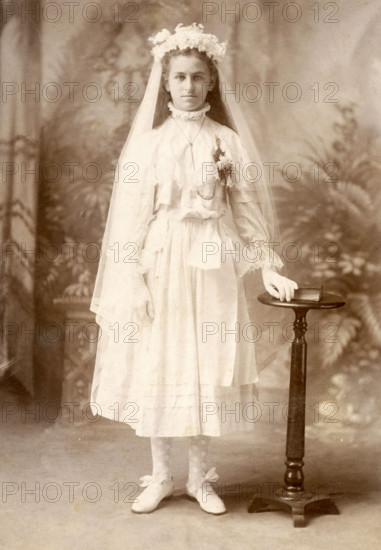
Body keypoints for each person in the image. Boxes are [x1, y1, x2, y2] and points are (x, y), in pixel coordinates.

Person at [90, 23, 298, 516]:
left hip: (211, 262)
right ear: (164, 82)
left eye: (198, 78)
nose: (188, 86)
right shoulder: (148, 144)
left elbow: (245, 208)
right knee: (161, 362)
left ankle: (200, 479)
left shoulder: (226, 140)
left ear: (211, 83)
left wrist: (267, 265)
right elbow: (129, 222)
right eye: (179, 77)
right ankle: (161, 475)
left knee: (206, 362)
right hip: (162, 260)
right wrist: (129, 279)